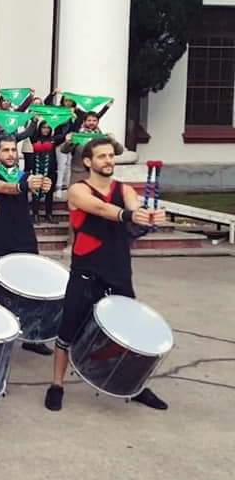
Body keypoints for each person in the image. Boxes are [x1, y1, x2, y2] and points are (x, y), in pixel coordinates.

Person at [46, 137, 168, 412]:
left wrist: (150, 217)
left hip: (119, 271)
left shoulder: (123, 190)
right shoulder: (78, 190)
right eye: (102, 156)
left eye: (111, 156)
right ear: (88, 161)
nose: (108, 161)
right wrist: (128, 216)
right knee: (68, 329)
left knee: (130, 333)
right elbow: (100, 209)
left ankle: (132, 385)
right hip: (87, 271)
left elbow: (135, 208)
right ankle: (57, 385)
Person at [0, 135, 53, 356]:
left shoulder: (26, 175)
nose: (11, 154)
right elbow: (3, 187)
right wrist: (25, 185)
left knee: (32, 285)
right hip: (0, 235)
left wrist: (45, 186)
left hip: (24, 234)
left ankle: (32, 335)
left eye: (13, 150)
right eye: (6, 150)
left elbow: (34, 189)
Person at [58, 111, 124, 185]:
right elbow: (63, 150)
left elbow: (120, 151)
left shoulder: (103, 137)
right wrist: (68, 142)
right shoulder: (77, 136)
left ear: (98, 122)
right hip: (79, 176)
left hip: (99, 177)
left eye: (94, 120)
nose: (91, 123)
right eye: (89, 120)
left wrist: (113, 141)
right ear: (84, 121)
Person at [30, 120, 67, 223]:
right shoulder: (35, 139)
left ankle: (49, 214)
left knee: (49, 194)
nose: (46, 130)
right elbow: (29, 132)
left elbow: (65, 134)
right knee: (36, 194)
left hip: (51, 171)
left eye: (48, 128)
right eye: (43, 127)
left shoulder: (53, 140)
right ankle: (35, 215)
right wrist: (34, 120)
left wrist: (69, 118)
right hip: (37, 170)